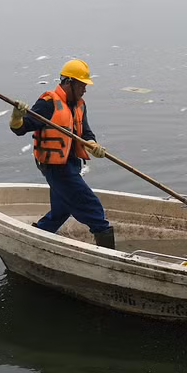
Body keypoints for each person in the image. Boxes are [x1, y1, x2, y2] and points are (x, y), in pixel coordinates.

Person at [9, 57, 116, 249]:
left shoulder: (79, 104)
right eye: (82, 85)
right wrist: (17, 116)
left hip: (71, 164)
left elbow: (85, 132)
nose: (85, 89)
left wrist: (93, 145)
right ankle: (111, 258)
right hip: (55, 167)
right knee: (93, 209)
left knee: (60, 211)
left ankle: (33, 241)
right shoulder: (48, 102)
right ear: (69, 83)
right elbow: (20, 128)